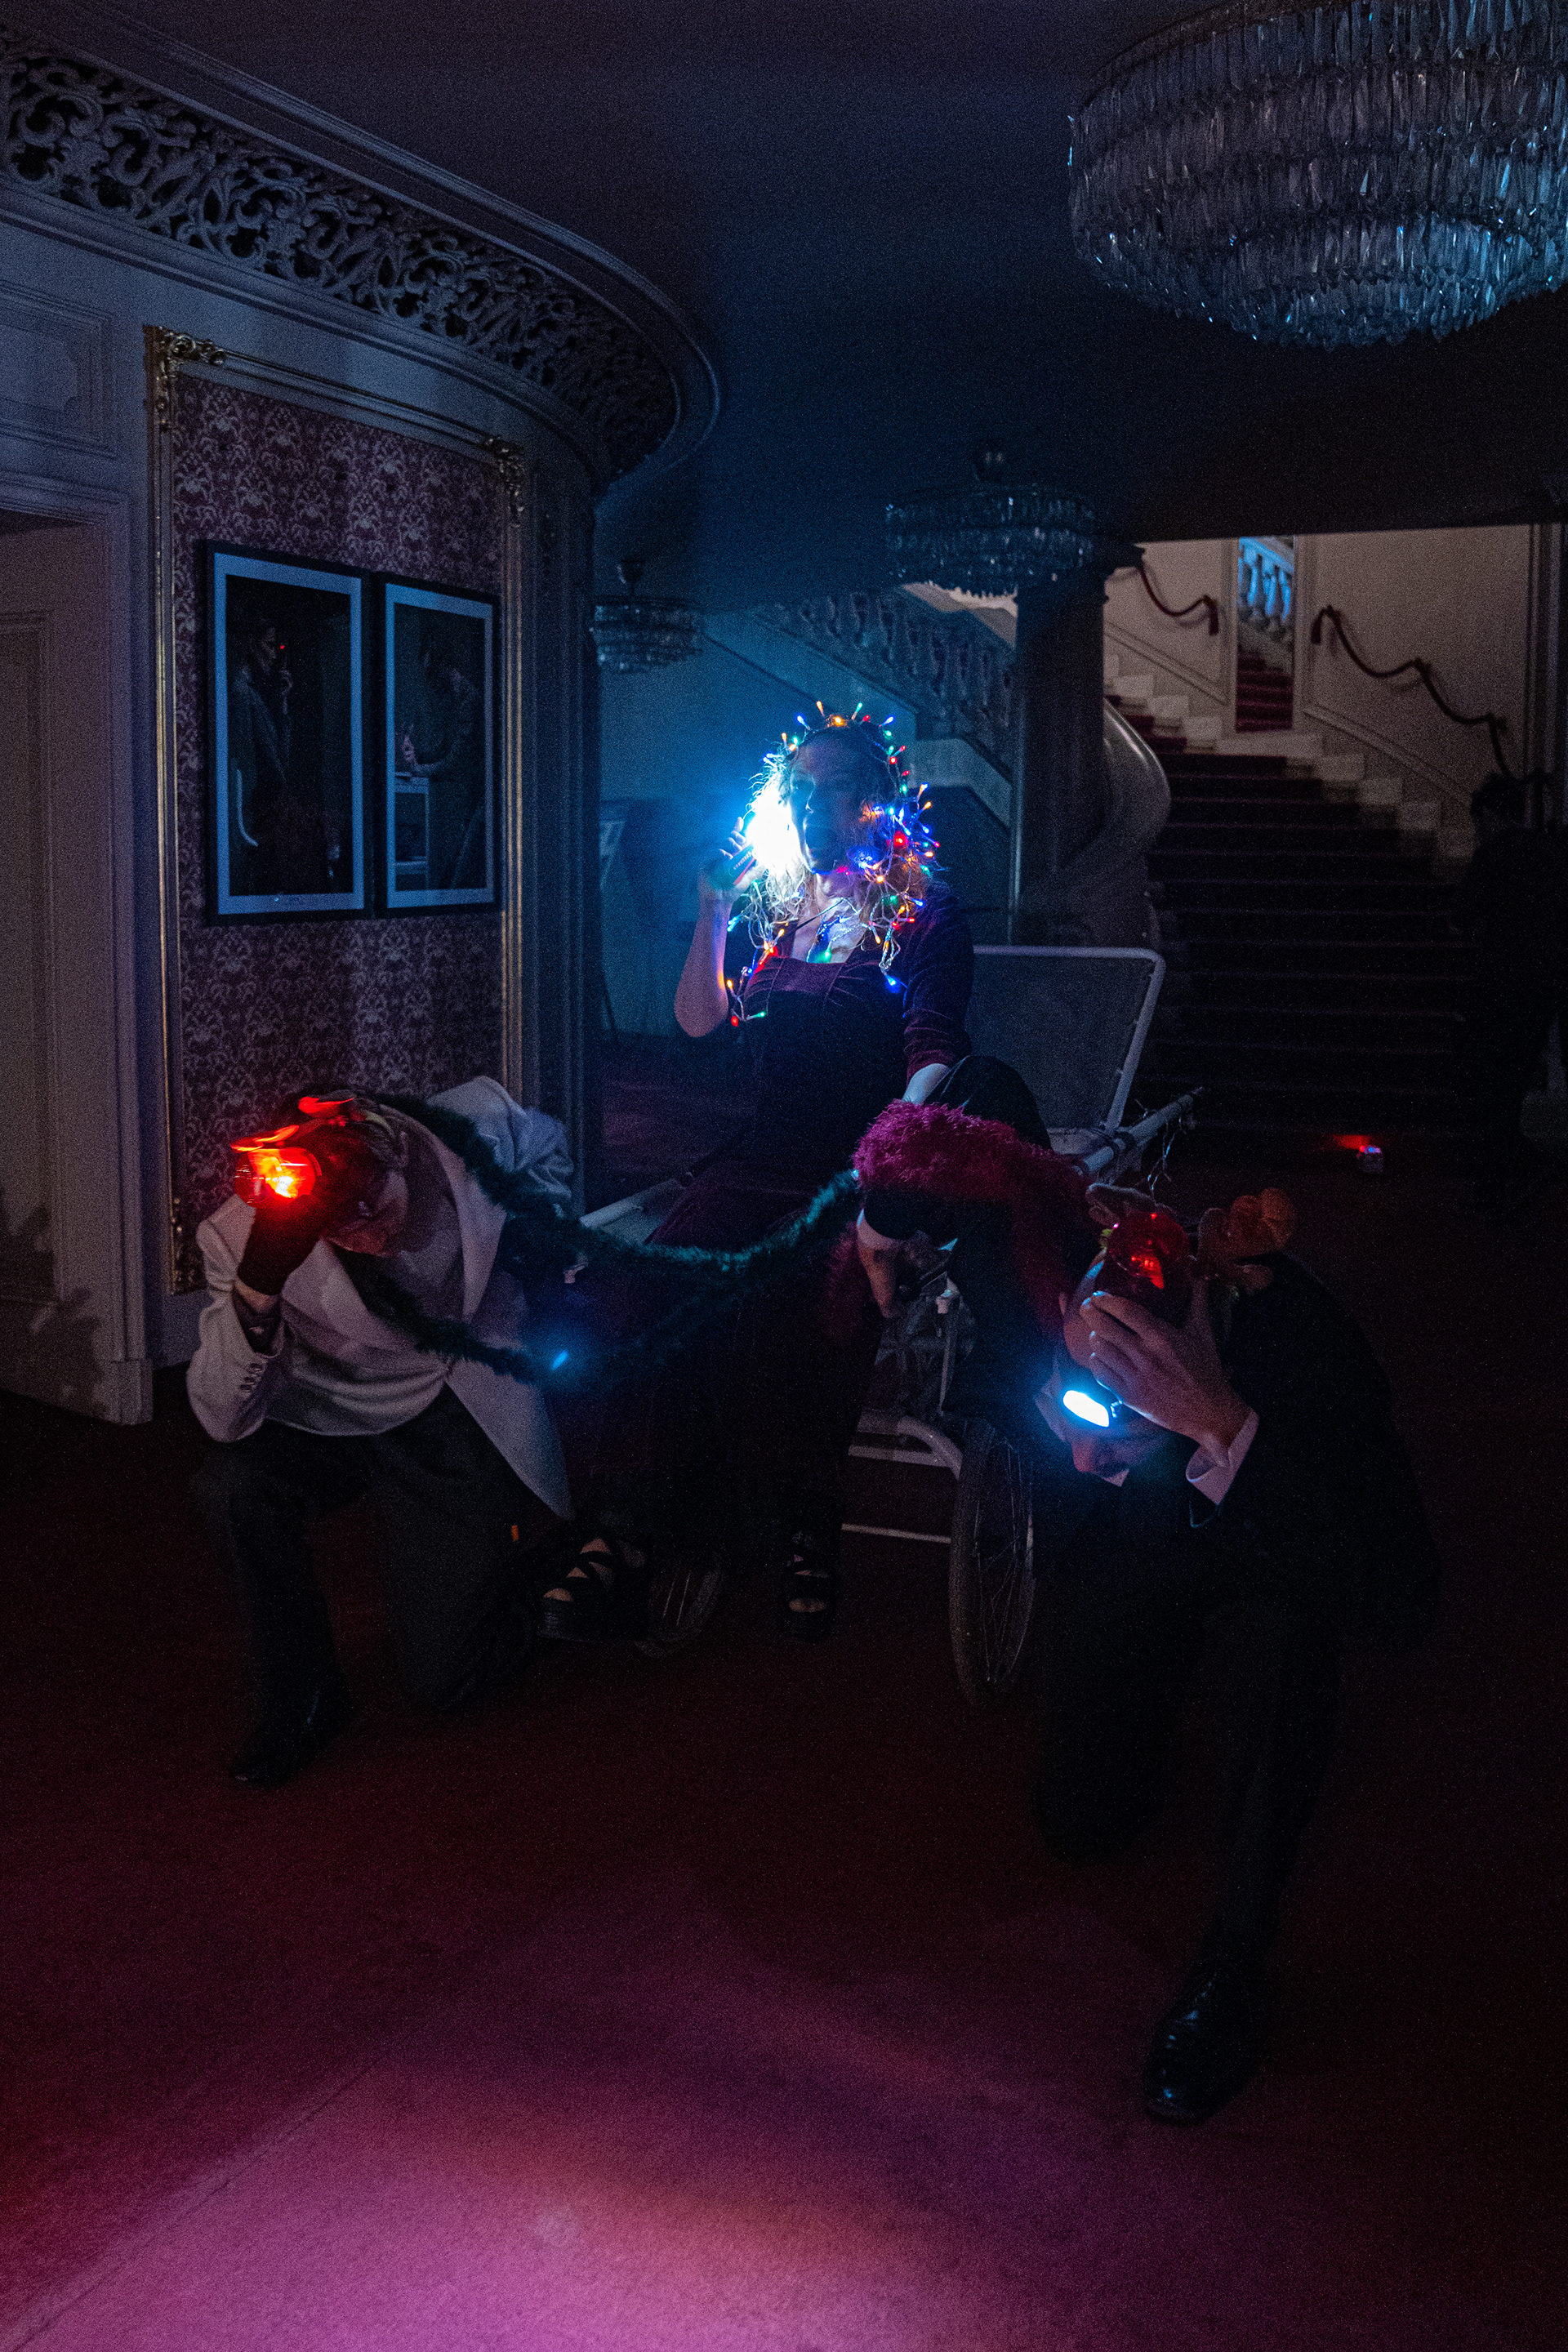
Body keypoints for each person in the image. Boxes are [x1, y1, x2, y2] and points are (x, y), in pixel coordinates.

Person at [853, 1069, 1441, 2125]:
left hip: (1269, 1537)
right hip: (1140, 1543)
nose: (1102, 1422)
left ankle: (1238, 1958)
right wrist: (881, 1226)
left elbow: (1403, 1602)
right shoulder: (1043, 1279)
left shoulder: (1307, 1348)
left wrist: (1221, 1427)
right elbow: (949, 1123)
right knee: (1082, 1821)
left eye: (1131, 1396)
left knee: (1288, 1626)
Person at [547, 714, 973, 1643]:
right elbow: (699, 1025)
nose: (813, 806)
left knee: (797, 1307)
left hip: (852, 1168)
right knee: (655, 1284)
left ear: (877, 799)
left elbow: (935, 1046)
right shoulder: (782, 914)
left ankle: (803, 1523)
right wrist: (711, 909)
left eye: (834, 787)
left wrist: (897, 1152)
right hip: (757, 1159)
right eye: (801, 789)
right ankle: (628, 1524)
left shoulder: (922, 914)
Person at [189, 1080, 574, 1789]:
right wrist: (258, 1285)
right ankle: (302, 1694)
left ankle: (560, 1573)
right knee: (233, 1485)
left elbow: (545, 1142)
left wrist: (545, 1226)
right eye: (342, 1229)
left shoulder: (468, 1128)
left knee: (446, 1680)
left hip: (451, 1404)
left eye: (378, 1209)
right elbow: (220, 1417)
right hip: (333, 1412)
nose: (368, 1236)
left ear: (400, 1156)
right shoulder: (234, 1235)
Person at [1452, 771, 1567, 1215]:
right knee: (1510, 1084)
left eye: (1480, 822)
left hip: (1500, 985)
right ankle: (1507, 1179)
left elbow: (1460, 919)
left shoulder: (1493, 856)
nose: (1478, 832)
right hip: (1543, 988)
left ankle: (1498, 1184)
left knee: (1485, 1083)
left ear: (1491, 815)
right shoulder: (1550, 854)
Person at [398, 624, 486, 892]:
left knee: (459, 875)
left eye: (430, 672)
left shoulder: (469, 700)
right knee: (455, 874)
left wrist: (419, 768)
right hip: (470, 800)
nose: (429, 681)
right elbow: (446, 749)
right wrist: (416, 755)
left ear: (443, 665)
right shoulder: (457, 701)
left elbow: (456, 761)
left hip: (481, 799)